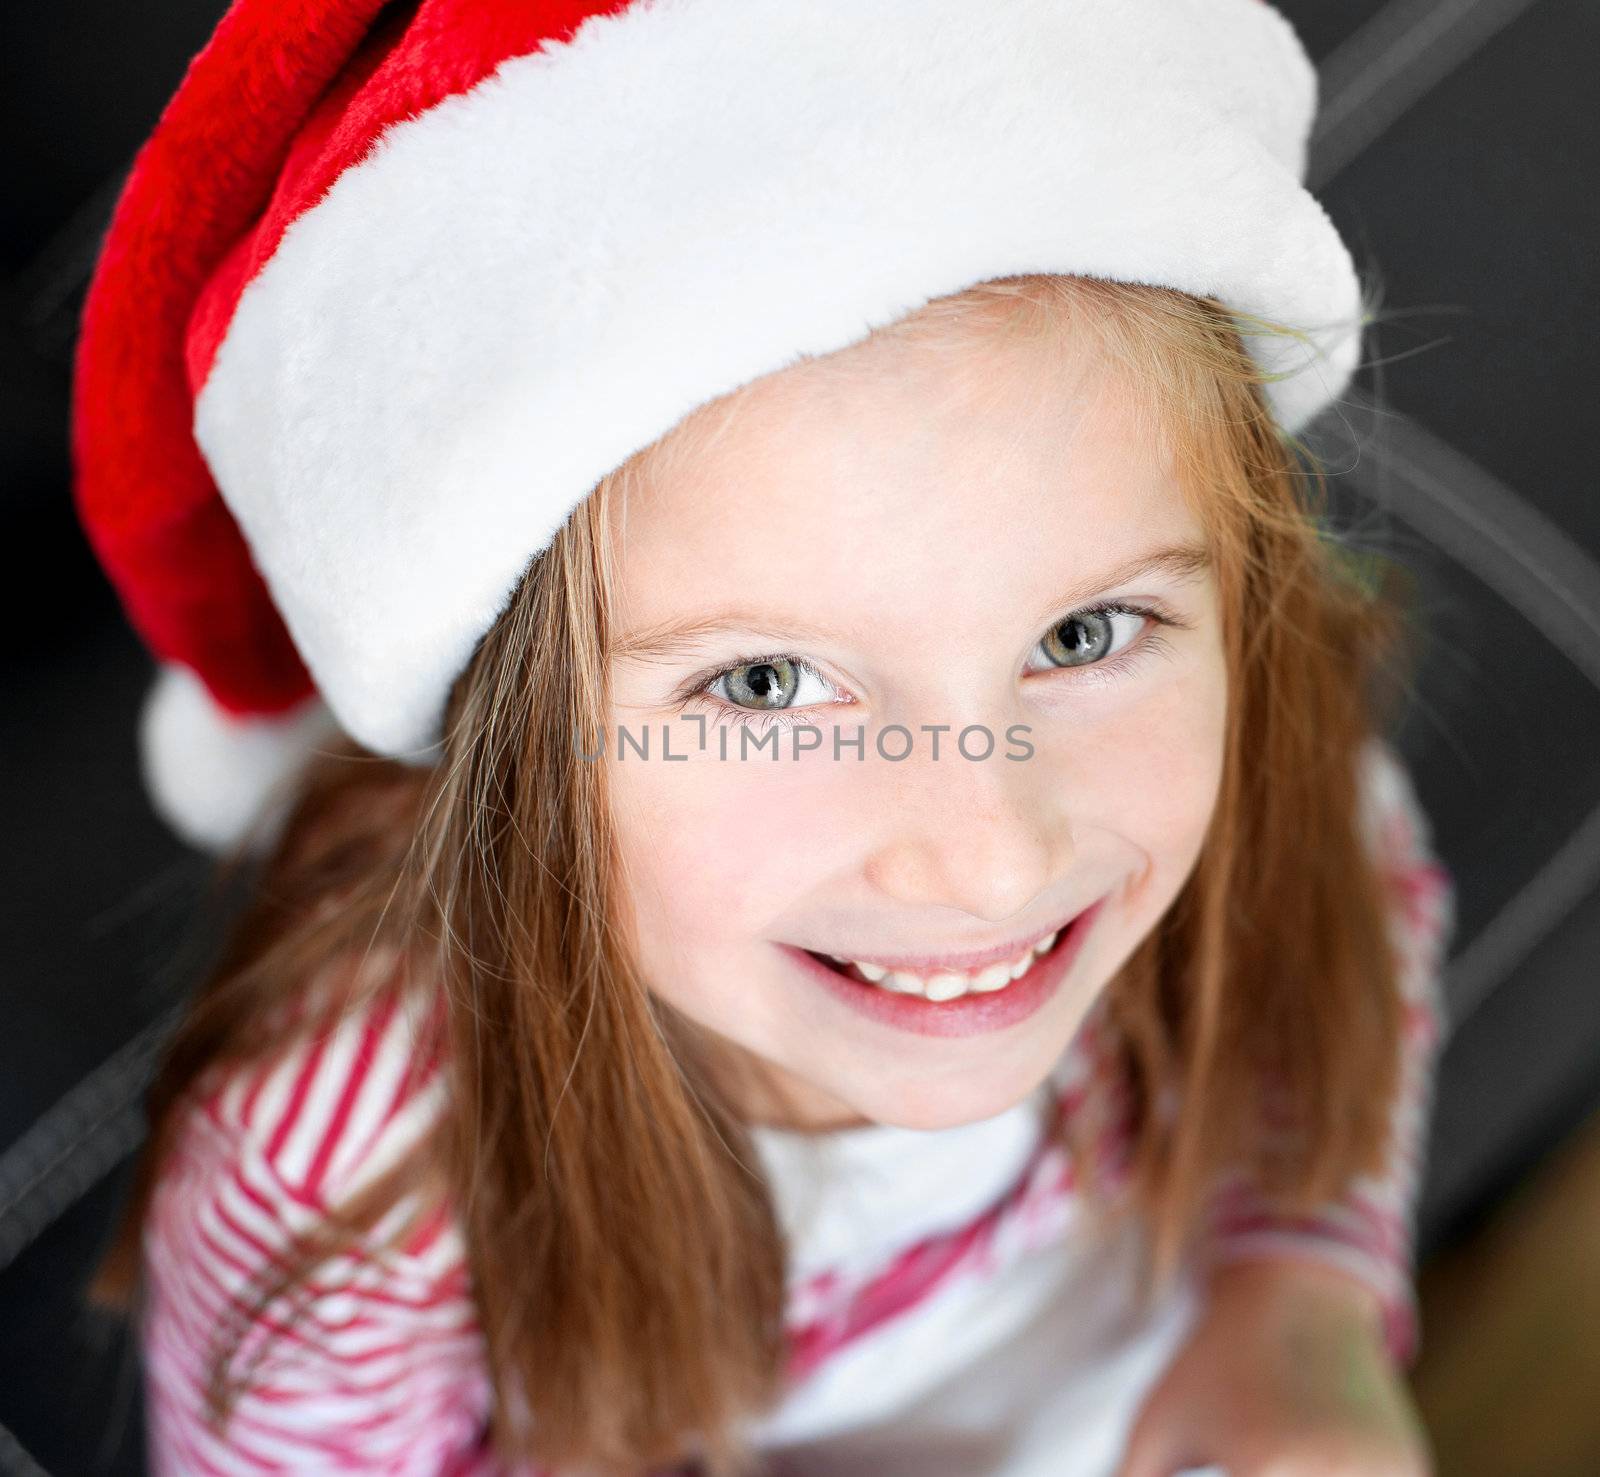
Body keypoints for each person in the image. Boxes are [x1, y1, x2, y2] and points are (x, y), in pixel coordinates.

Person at [69, 1, 1456, 1473]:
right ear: (517, 744)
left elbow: (1341, 946)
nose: (992, 861)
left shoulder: (1266, 772)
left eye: (1083, 635)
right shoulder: (350, 1165)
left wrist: (1294, 1301)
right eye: (769, 685)